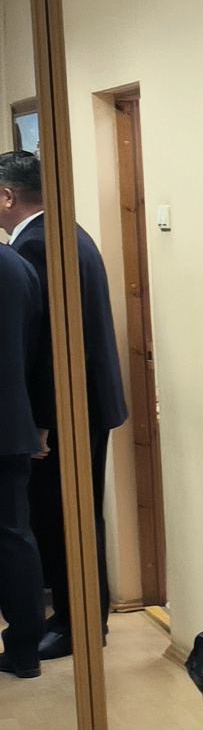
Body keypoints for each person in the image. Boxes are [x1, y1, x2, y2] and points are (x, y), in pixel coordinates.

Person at [0, 154, 129, 658]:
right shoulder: (66, 231)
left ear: (7, 196)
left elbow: (49, 346)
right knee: (78, 513)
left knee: (63, 517)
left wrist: (43, 421)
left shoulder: (35, 246)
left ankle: (78, 625)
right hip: (88, 403)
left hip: (66, 411)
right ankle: (81, 619)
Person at [0, 240, 51, 678]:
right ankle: (25, 651)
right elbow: (38, 352)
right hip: (12, 423)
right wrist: (38, 422)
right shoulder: (17, 266)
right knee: (15, 536)